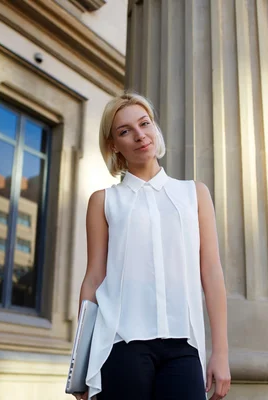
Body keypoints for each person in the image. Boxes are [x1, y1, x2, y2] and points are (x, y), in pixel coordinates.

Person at [75, 92, 230, 400]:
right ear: (113, 145)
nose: (139, 135)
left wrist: (221, 353)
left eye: (144, 123)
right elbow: (94, 278)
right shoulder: (104, 201)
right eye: (124, 131)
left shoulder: (194, 194)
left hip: (183, 347)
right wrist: (80, 364)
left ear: (155, 128)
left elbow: (211, 271)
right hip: (119, 345)